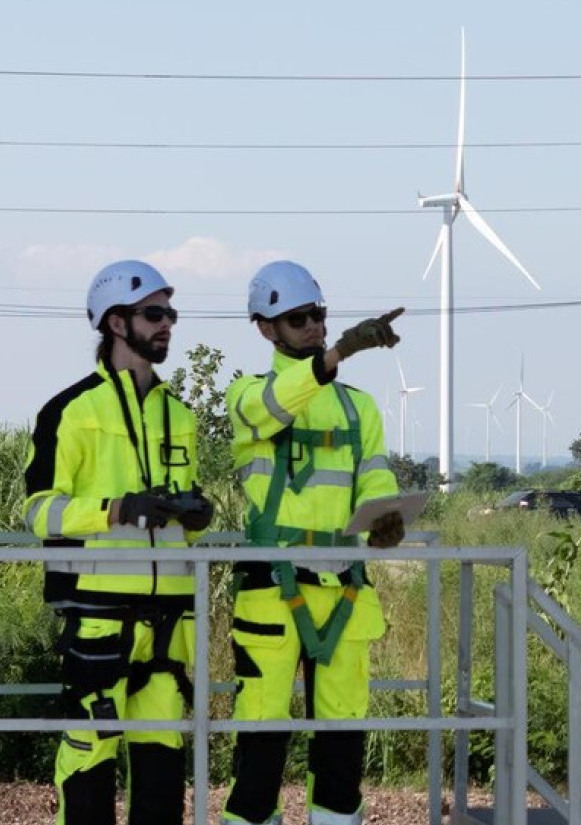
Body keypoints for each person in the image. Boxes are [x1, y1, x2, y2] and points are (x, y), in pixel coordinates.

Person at [22, 260, 214, 825]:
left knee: (162, 770)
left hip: (169, 622)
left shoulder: (180, 414)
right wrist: (115, 511)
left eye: (170, 315)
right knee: (89, 763)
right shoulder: (69, 411)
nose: (167, 326)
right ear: (113, 322)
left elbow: (179, 501)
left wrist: (194, 511)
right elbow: (39, 512)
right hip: (98, 618)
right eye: (154, 314)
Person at [222, 261, 408, 825]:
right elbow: (278, 405)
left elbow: (374, 476)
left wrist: (388, 514)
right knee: (261, 736)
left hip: (344, 588)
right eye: (298, 318)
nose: (313, 326)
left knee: (343, 740)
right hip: (271, 592)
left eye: (319, 316)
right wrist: (339, 355)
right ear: (265, 329)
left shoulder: (359, 408)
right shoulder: (247, 397)